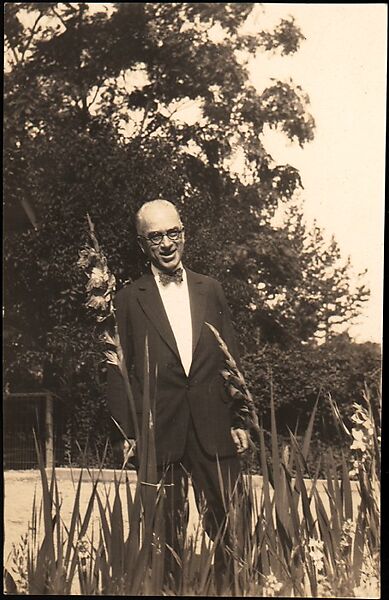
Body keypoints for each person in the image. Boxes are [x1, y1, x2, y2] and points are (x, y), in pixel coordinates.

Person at [106, 199, 250, 593]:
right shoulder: (128, 298)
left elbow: (230, 358)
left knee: (233, 533)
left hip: (214, 427)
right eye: (156, 237)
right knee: (163, 540)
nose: (167, 244)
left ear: (184, 234)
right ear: (142, 244)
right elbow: (116, 371)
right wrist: (129, 433)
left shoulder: (211, 289)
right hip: (159, 433)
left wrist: (239, 419)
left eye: (174, 233)